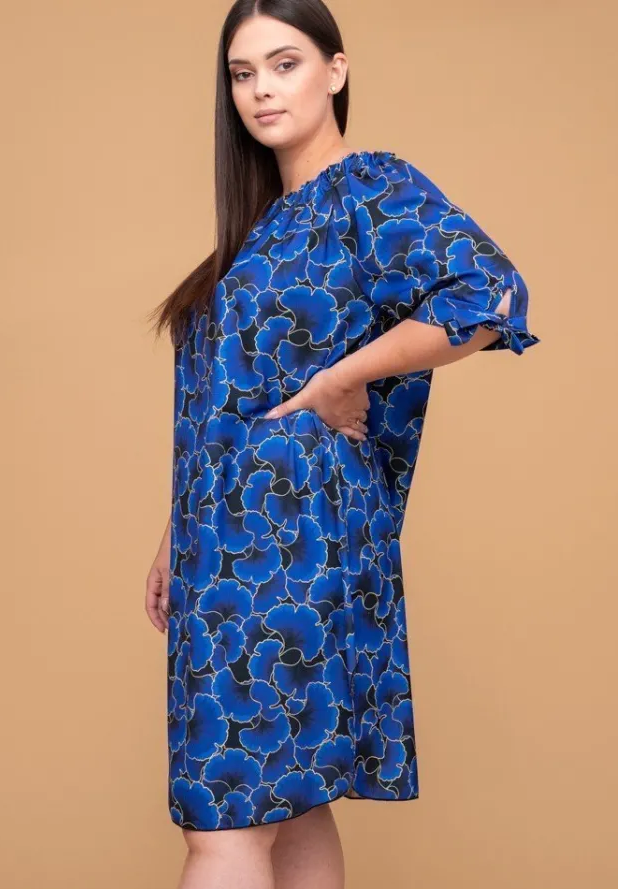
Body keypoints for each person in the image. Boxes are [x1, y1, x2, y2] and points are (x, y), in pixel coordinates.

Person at [144, 1, 541, 887]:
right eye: (241, 73)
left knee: (225, 822)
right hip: (223, 542)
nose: (260, 89)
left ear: (335, 70)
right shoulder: (258, 232)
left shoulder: (365, 187)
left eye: (283, 64)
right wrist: (177, 527)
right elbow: (224, 405)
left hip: (288, 542)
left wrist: (343, 375)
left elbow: (488, 295)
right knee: (290, 804)